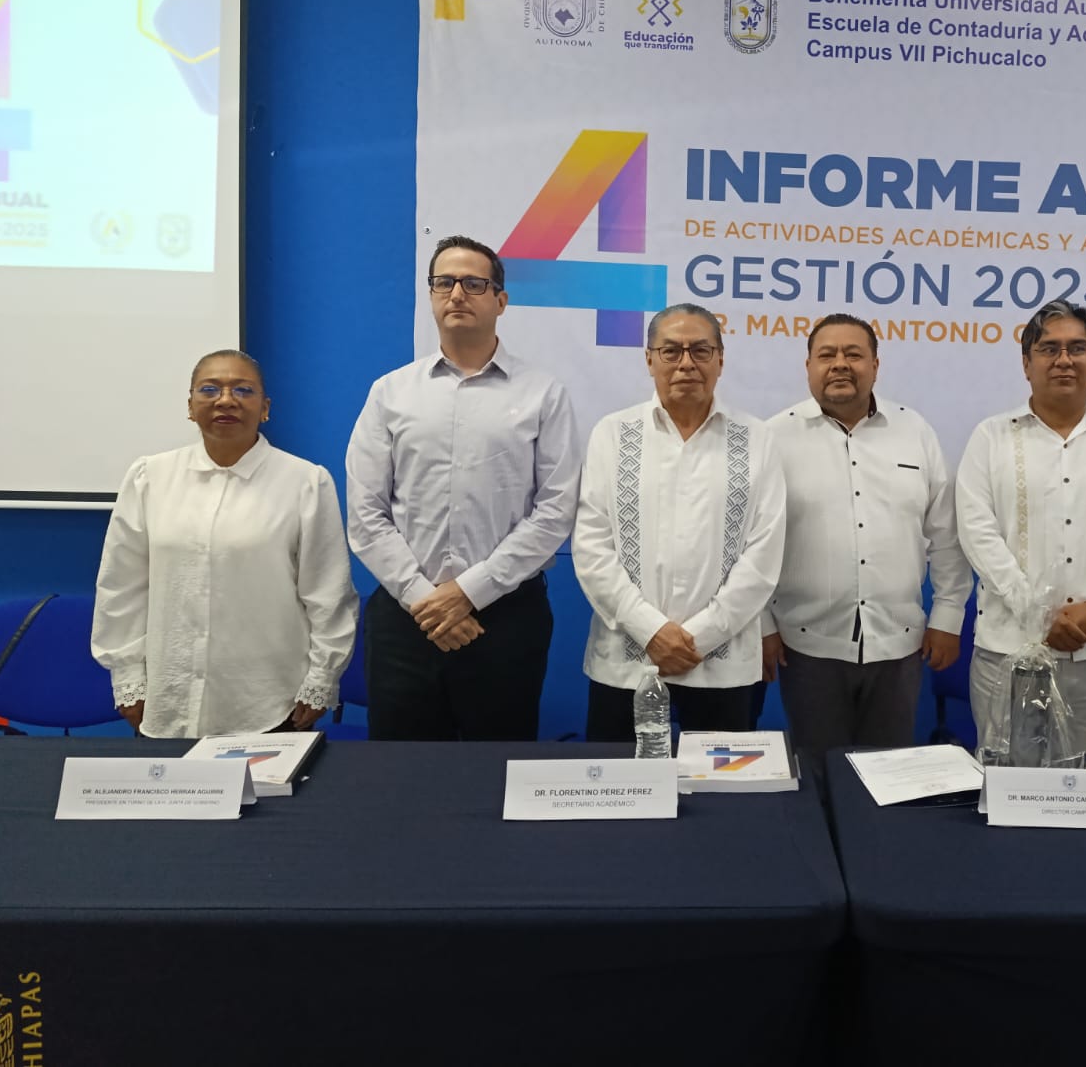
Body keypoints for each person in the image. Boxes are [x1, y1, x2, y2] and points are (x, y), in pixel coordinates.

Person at [345, 234, 580, 740]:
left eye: (474, 284)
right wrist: (426, 599)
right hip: (407, 619)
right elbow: (366, 512)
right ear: (431, 294)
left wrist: (470, 592)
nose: (456, 294)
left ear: (500, 300)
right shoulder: (390, 392)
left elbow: (556, 509)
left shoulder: (542, 394)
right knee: (401, 773)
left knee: (496, 770)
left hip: (506, 619)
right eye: (444, 283)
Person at [92, 350, 358, 737]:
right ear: (190, 406)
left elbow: (328, 594)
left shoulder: (305, 482)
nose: (226, 400)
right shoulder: (150, 477)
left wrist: (321, 680)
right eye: (210, 389)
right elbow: (122, 586)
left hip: (270, 701)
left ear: (265, 408)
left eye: (243, 390)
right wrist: (127, 677)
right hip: (168, 698)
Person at [956, 300, 1086, 756]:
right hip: (1008, 650)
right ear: (1026, 364)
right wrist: (1040, 615)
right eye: (1049, 349)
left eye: (1077, 348)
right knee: (1008, 778)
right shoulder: (990, 437)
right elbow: (977, 533)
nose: (1064, 360)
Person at [574, 303, 785, 742]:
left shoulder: (757, 438)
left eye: (700, 350)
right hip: (626, 662)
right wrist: (651, 631)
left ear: (720, 360)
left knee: (720, 786)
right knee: (618, 782)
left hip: (723, 667)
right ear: (649, 359)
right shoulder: (612, 434)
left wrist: (699, 638)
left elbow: (763, 556)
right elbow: (593, 547)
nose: (686, 363)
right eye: (671, 351)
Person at [763, 313, 970, 757]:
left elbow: (946, 536)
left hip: (899, 644)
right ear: (808, 367)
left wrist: (948, 617)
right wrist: (761, 625)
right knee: (819, 777)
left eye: (853, 354)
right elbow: (752, 543)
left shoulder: (915, 432)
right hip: (806, 645)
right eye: (827, 355)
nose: (840, 364)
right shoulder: (773, 438)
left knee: (888, 777)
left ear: (875, 365)